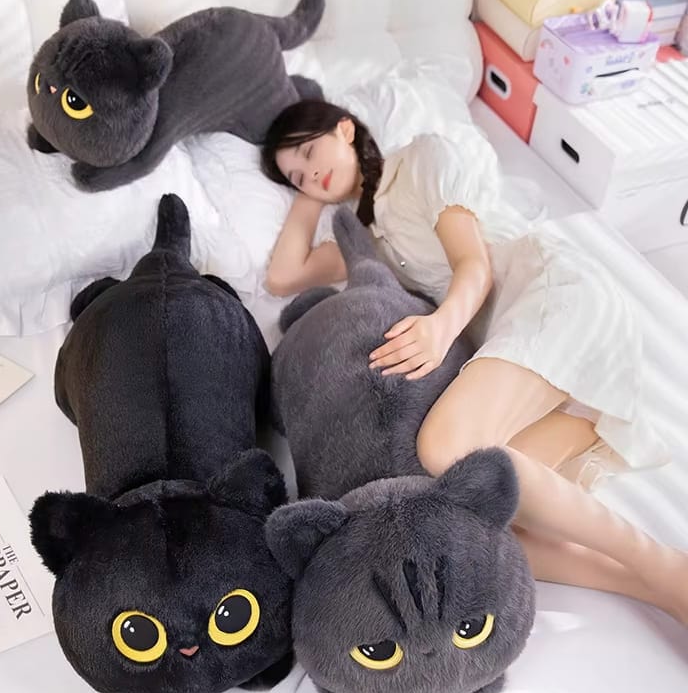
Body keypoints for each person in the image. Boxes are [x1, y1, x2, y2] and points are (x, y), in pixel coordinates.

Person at [260, 100, 686, 625]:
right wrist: (309, 194)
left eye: (309, 152)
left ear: (344, 128)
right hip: (519, 357)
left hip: (551, 295)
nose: (310, 174)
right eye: (296, 176)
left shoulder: (418, 161)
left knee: (444, 446)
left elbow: (474, 265)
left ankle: (662, 564)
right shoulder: (367, 238)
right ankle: (663, 589)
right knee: (478, 516)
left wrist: (441, 328)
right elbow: (282, 277)